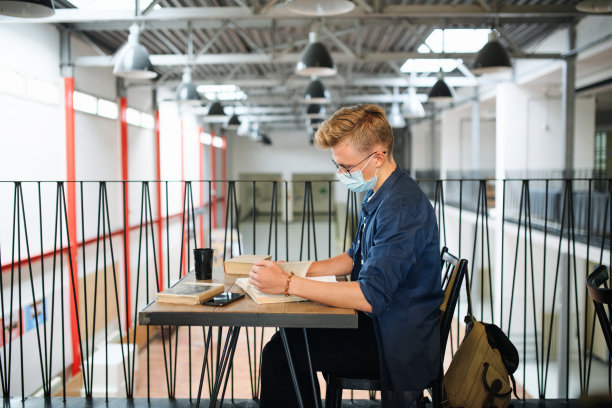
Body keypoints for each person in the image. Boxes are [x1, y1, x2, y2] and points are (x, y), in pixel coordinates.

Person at [250, 104, 442, 408]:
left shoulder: (401, 207)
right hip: (382, 326)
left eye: (347, 167)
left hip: (394, 343)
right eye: (337, 165)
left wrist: (287, 284)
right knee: (289, 337)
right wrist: (295, 269)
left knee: (281, 352)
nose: (341, 174)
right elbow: (353, 258)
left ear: (377, 157)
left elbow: (371, 296)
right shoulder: (380, 193)